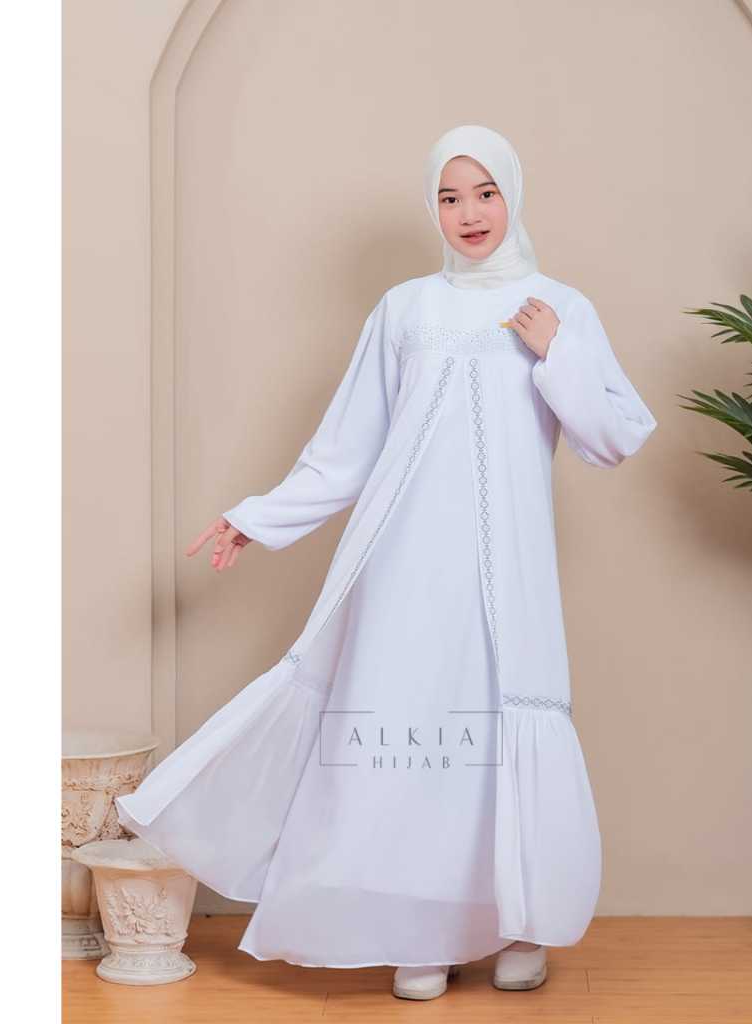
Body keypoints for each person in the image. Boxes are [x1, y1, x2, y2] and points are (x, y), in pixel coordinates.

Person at [115, 124, 657, 1001]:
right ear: (432, 208)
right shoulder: (406, 310)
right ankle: (424, 931)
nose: (468, 213)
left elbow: (614, 437)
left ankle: (520, 927)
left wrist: (557, 352)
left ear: (512, 195)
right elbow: (348, 447)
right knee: (416, 741)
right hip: (406, 562)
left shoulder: (559, 306)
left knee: (498, 729)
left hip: (509, 570)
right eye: (449, 196)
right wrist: (257, 518)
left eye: (485, 192)